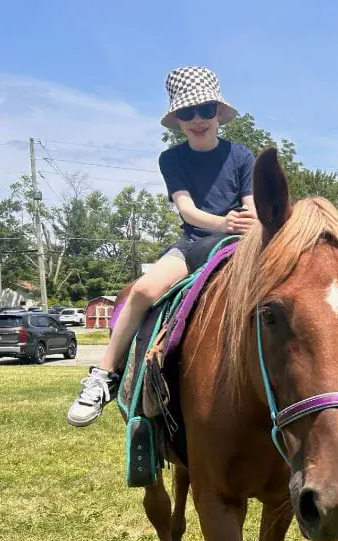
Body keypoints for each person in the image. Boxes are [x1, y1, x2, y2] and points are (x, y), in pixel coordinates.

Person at [67, 66, 257, 427]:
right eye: (187, 112)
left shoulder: (242, 156)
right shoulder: (172, 159)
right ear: (178, 119)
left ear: (218, 112)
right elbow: (186, 209)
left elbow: (252, 205)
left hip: (240, 246)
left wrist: (253, 223)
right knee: (143, 290)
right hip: (194, 243)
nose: (198, 119)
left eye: (205, 110)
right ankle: (105, 374)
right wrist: (224, 222)